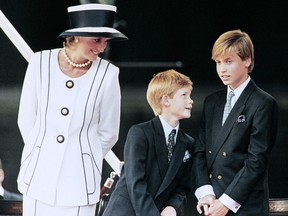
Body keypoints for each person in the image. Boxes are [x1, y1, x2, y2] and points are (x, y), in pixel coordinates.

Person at [17, 3, 127, 216]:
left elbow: (109, 132)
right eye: (96, 40)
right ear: (75, 37)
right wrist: (41, 151)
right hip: (38, 177)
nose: (102, 47)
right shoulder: (39, 62)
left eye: (106, 41)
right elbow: (26, 118)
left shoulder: (108, 74)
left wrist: (84, 157)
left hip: (80, 182)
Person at [194, 29, 278, 216]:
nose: (222, 69)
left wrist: (225, 202)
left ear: (247, 60)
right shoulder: (211, 102)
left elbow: (256, 160)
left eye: (228, 62)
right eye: (218, 63)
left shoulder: (263, 103)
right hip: (211, 203)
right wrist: (206, 193)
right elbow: (200, 151)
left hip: (245, 206)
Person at [102, 69, 195, 216]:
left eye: (189, 95)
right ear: (165, 100)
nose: (190, 101)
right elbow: (136, 183)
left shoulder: (188, 142)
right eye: (184, 95)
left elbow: (182, 187)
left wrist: (172, 206)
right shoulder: (140, 133)